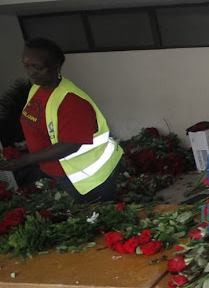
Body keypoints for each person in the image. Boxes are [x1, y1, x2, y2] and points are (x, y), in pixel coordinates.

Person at [0, 38, 123, 203]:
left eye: (37, 67)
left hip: (87, 177)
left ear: (56, 66)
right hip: (58, 171)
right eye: (26, 65)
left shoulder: (72, 101)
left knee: (98, 220)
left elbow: (70, 145)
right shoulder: (37, 88)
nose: (31, 72)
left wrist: (27, 159)